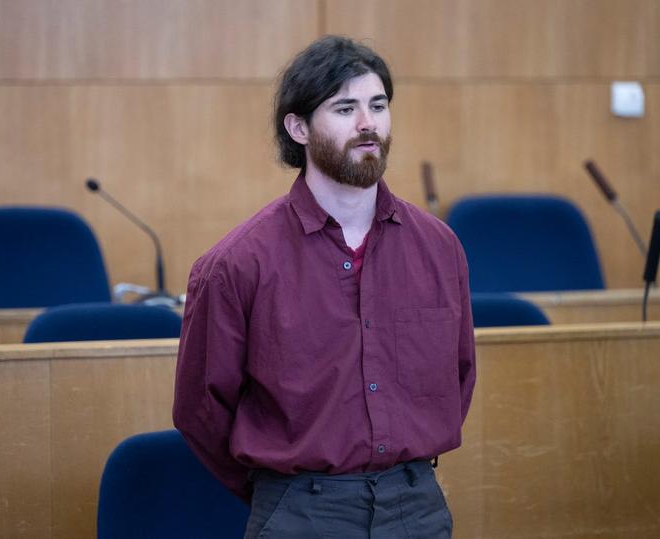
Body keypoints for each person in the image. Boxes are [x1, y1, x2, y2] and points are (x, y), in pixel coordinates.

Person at [173, 35, 475, 538]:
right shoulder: (236, 263)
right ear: (299, 128)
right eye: (344, 108)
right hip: (300, 510)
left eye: (378, 106)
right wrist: (282, 492)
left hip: (416, 506)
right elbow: (201, 410)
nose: (367, 124)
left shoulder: (440, 249)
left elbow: (459, 375)